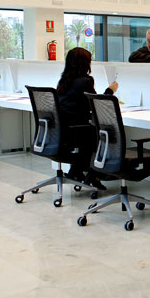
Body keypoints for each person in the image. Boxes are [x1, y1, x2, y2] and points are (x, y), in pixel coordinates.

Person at [57, 47, 119, 190]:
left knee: (93, 136)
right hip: (76, 131)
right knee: (106, 135)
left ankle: (77, 171)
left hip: (63, 130)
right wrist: (111, 91)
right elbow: (97, 104)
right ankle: (94, 174)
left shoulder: (64, 80)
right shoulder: (85, 81)